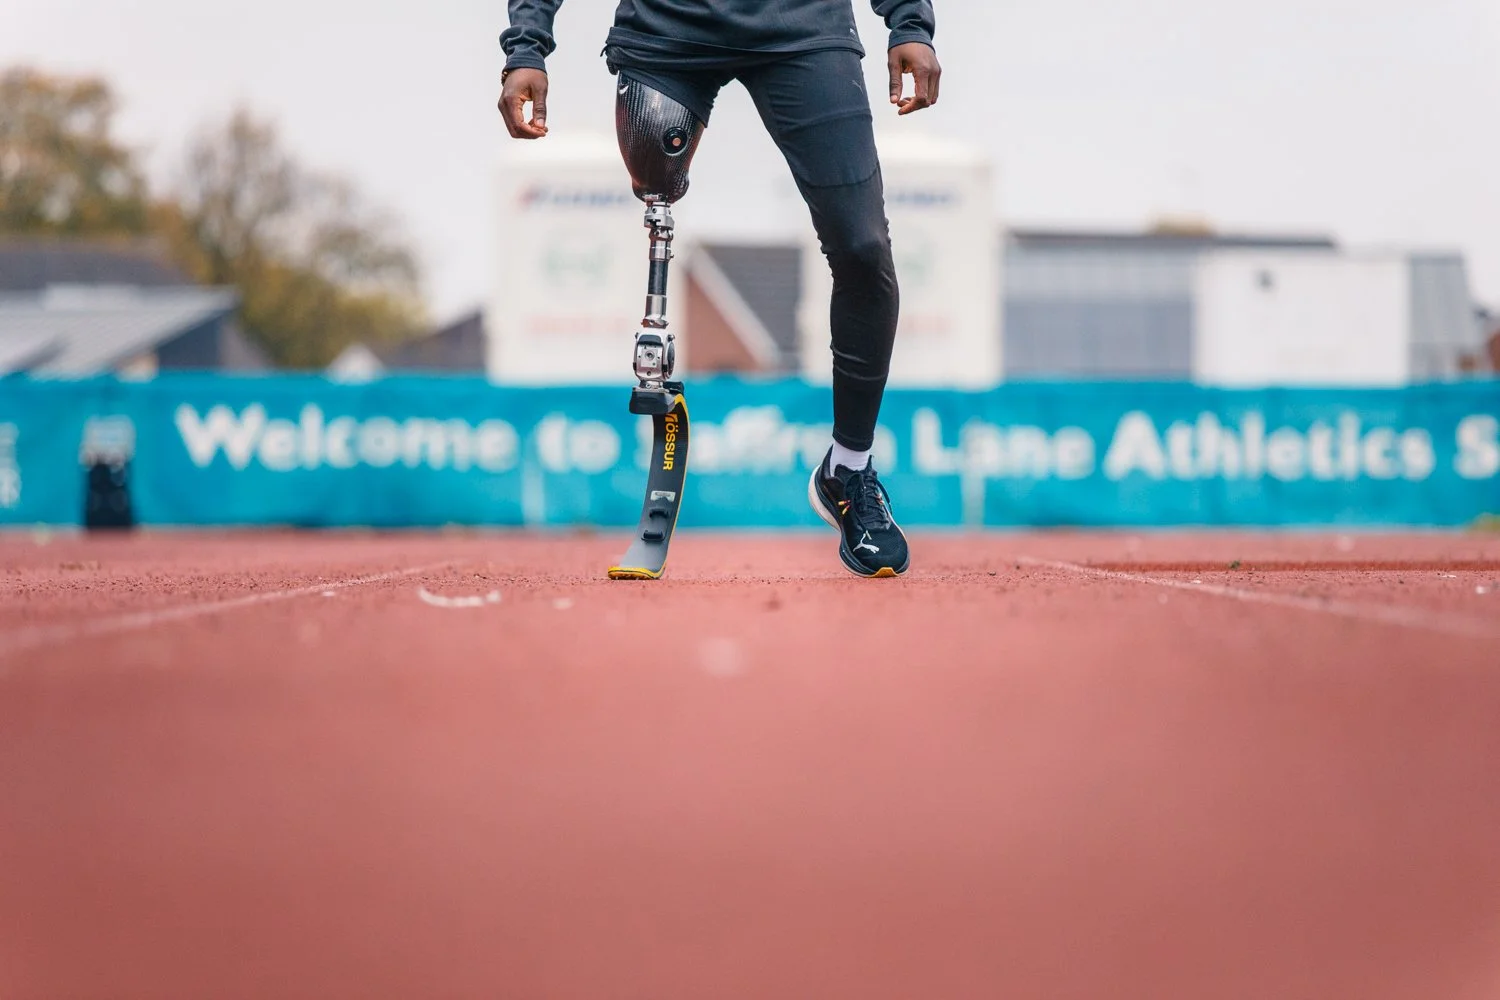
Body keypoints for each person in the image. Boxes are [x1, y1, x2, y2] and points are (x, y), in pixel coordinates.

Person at [499, 0, 940, 579]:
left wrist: (909, 21)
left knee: (862, 249)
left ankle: (848, 469)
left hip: (802, 24)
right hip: (669, 25)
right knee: (655, 197)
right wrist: (526, 46)